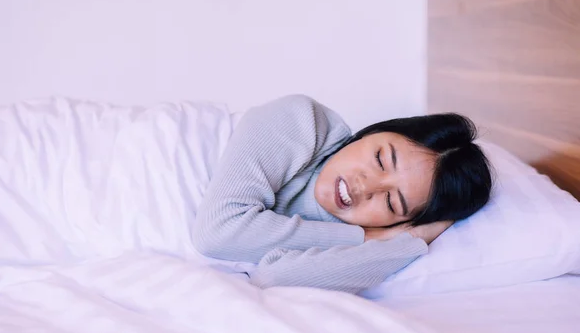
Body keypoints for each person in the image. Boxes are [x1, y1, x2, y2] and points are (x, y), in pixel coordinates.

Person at [192, 95, 492, 294]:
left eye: (391, 202)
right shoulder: (302, 120)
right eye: (380, 159)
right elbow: (216, 233)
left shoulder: (341, 237)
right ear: (373, 132)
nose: (365, 186)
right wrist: (369, 237)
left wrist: (410, 242)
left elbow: (272, 280)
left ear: (400, 223)